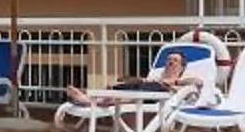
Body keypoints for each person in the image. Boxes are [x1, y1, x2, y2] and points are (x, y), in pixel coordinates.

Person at [62, 47, 190, 109]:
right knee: (125, 85)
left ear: (182, 66)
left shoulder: (184, 76)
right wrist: (132, 79)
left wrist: (175, 81)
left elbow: (198, 82)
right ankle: (92, 97)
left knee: (139, 90)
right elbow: (143, 80)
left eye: (175, 60)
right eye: (168, 59)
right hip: (146, 88)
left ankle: (86, 100)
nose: (170, 62)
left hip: (159, 94)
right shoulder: (159, 73)